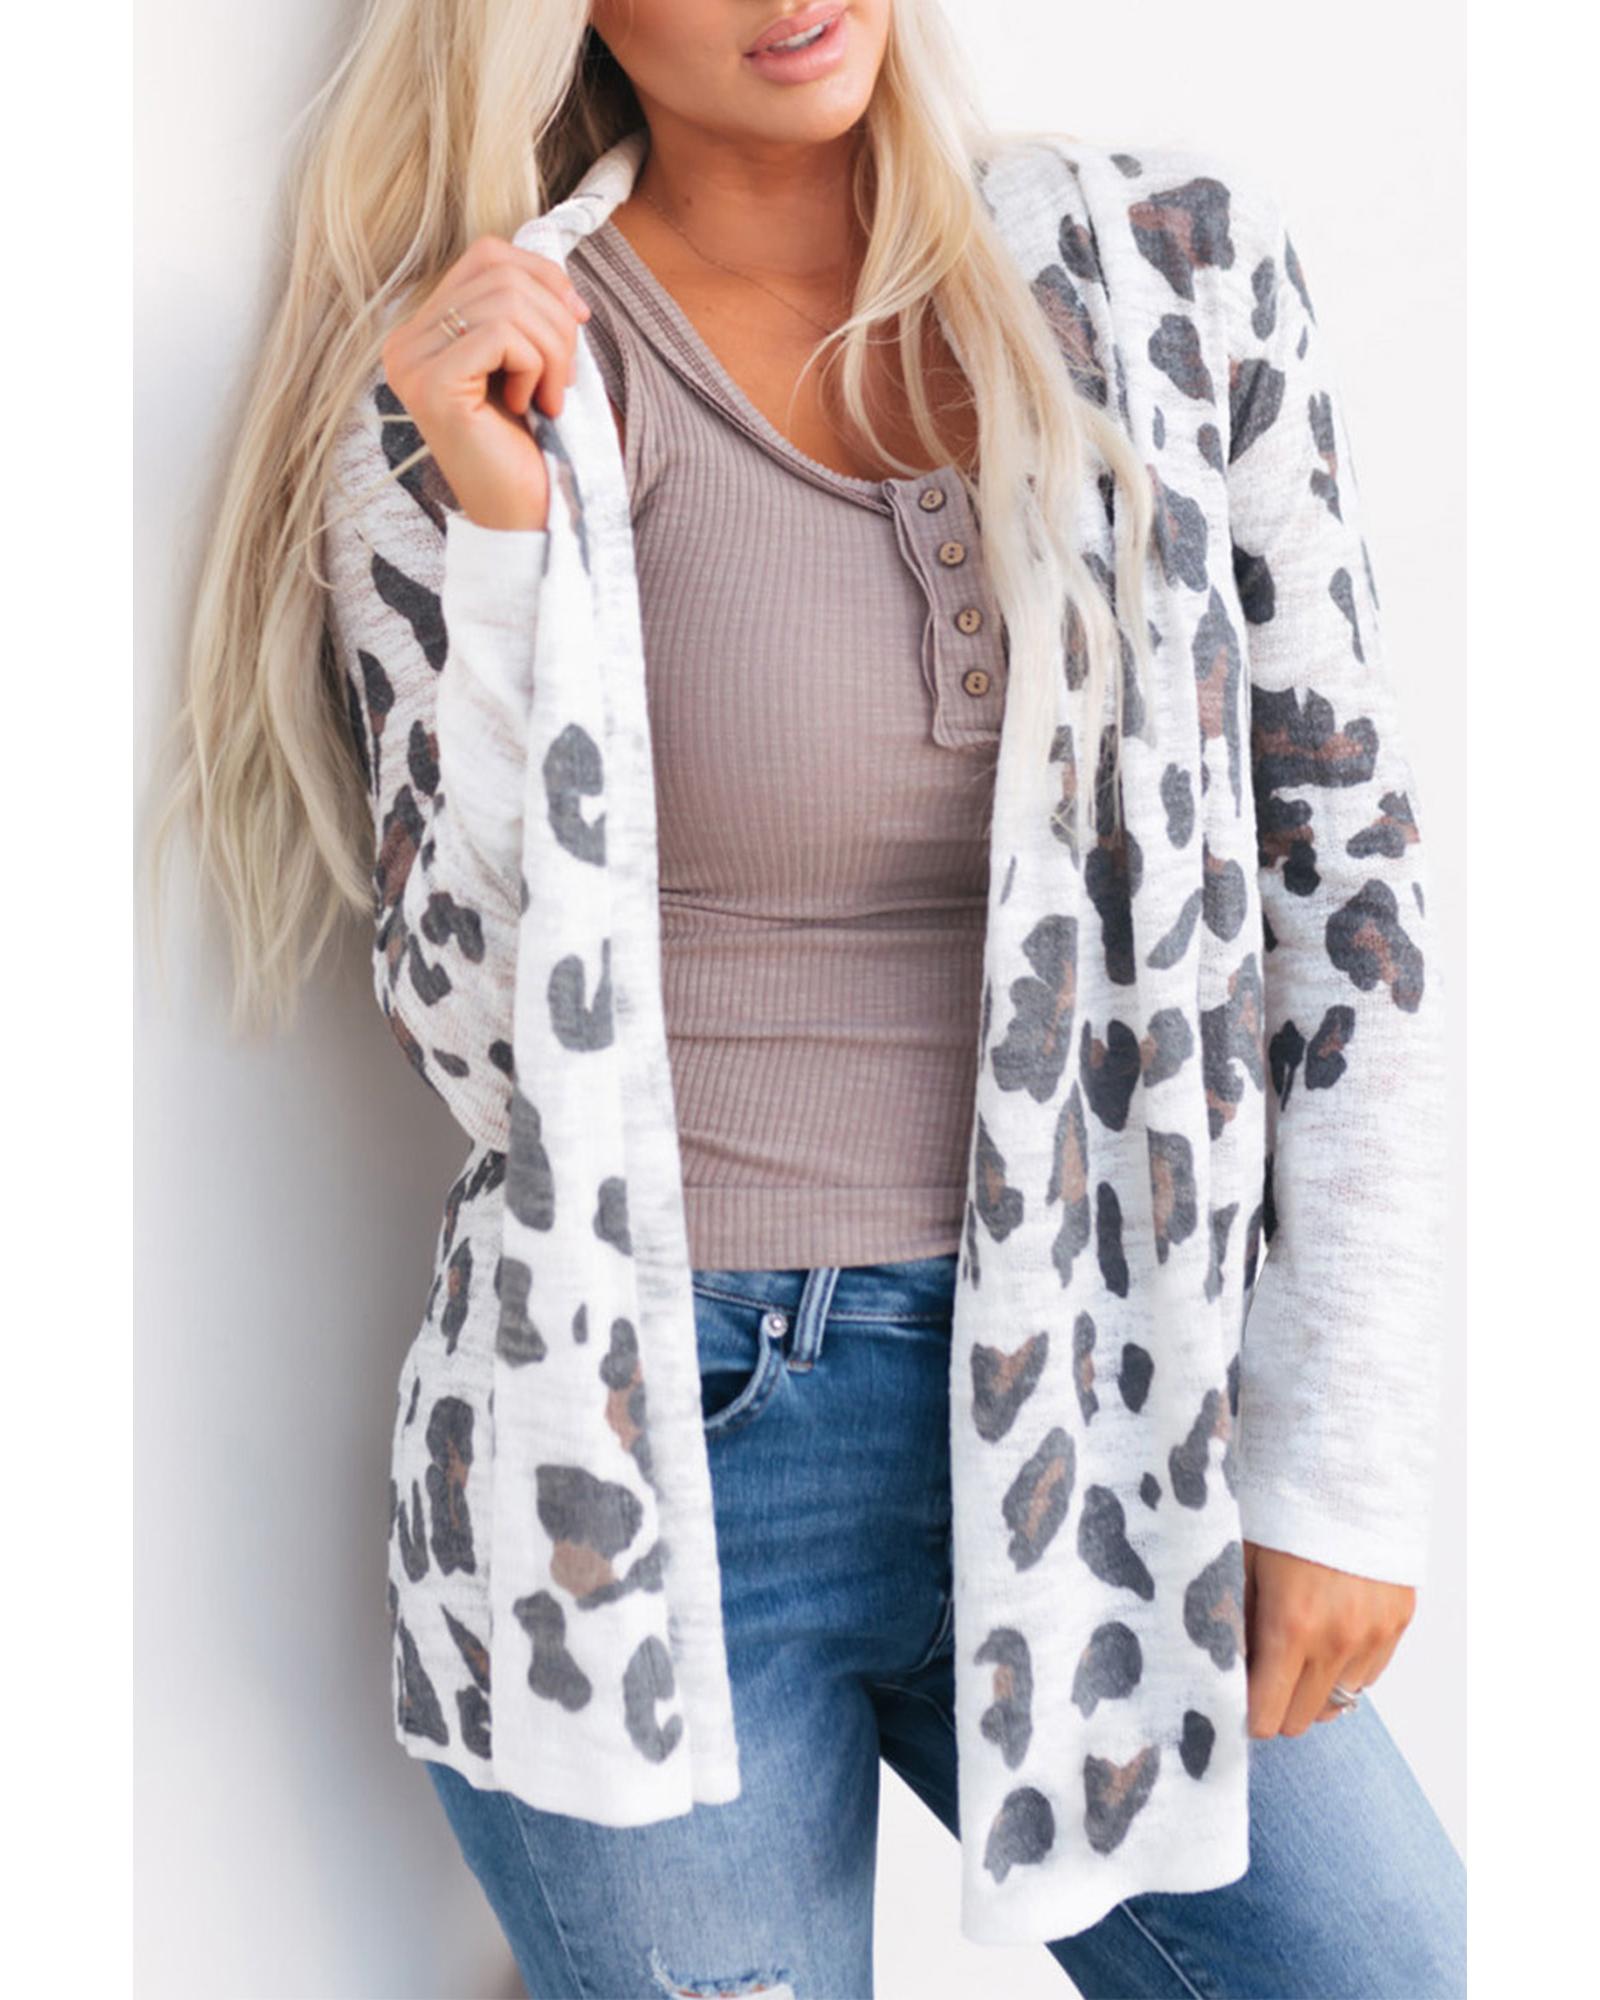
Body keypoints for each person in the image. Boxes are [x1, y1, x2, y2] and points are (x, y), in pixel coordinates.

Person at [153, 1, 1466, 1992]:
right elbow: (485, 1035)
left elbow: (1349, 892)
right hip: (647, 1457)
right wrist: (502, 544)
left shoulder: (1178, 276)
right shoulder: (486, 387)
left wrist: (1339, 1463)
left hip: (1105, 1406)